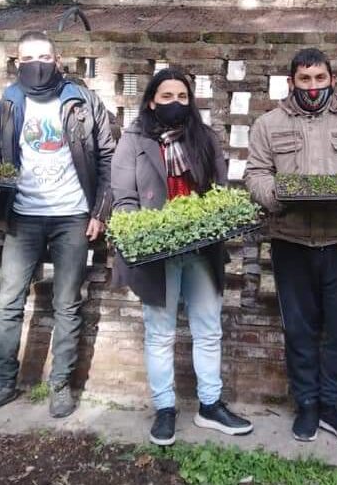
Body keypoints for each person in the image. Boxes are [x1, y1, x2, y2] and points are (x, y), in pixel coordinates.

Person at [0, 33, 115, 420]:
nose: (37, 64)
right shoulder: (10, 103)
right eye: (29, 57)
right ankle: (2, 384)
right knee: (10, 301)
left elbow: (106, 158)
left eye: (45, 56)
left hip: (72, 216)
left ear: (58, 59)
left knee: (68, 303)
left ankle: (61, 385)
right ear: (17, 62)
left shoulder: (83, 101)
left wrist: (99, 211)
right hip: (22, 216)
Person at [245, 48, 337, 447]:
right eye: (305, 80)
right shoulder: (268, 124)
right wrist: (279, 194)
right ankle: (306, 404)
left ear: (332, 79)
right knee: (299, 330)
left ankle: (336, 408)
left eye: (320, 78)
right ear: (292, 83)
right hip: (291, 243)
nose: (313, 86)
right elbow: (255, 174)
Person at [111, 68, 253, 446]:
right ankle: (165, 409)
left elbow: (220, 189)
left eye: (182, 97)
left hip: (201, 251)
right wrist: (143, 233)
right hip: (156, 254)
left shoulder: (203, 137)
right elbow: (124, 199)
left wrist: (212, 221)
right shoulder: (133, 141)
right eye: (167, 96)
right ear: (151, 100)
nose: (175, 103)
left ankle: (210, 405)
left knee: (208, 329)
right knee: (160, 334)